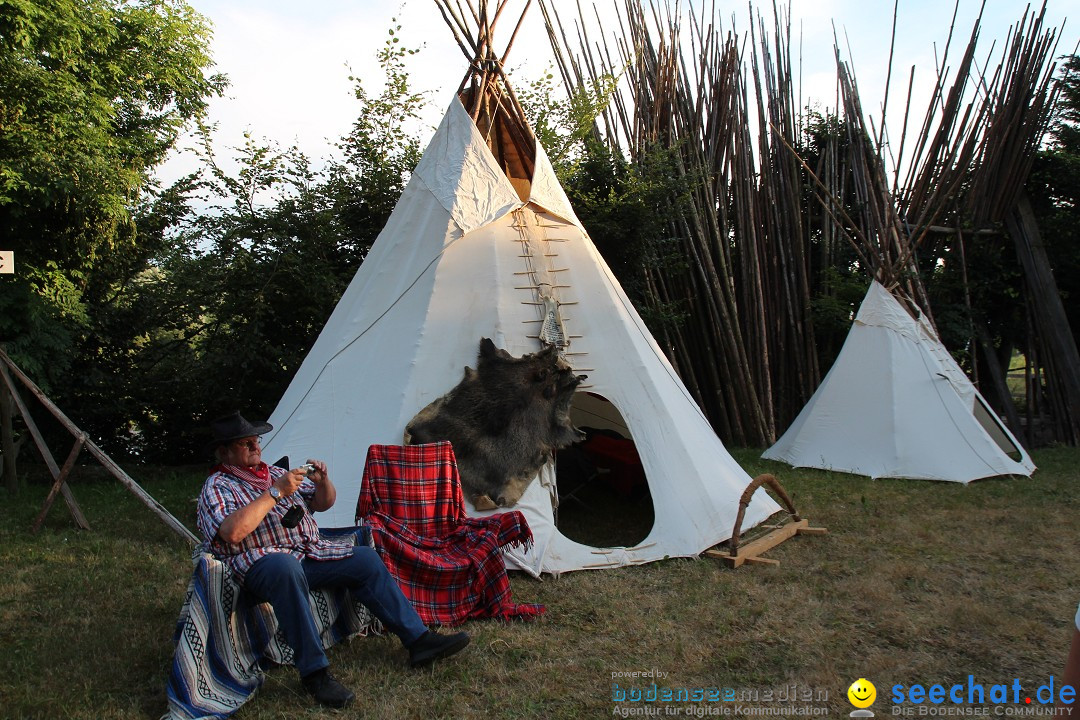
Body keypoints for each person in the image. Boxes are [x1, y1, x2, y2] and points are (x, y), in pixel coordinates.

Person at [197, 411, 470, 709]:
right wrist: (275, 493)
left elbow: (323, 503)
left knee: (364, 559)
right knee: (284, 567)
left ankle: (419, 641)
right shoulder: (218, 486)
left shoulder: (273, 473)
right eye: (244, 443)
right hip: (262, 564)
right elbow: (232, 532)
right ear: (224, 452)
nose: (255, 447)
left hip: (306, 553)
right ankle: (315, 674)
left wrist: (323, 481)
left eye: (256, 440)